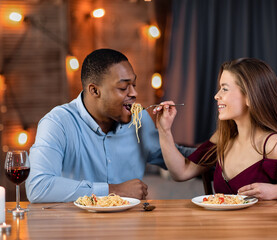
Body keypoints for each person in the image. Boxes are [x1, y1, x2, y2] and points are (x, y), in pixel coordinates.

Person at [26, 49, 194, 203]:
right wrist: (113, 190)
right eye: (123, 87)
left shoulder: (139, 118)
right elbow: (38, 187)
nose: (134, 93)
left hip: (130, 229)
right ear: (94, 91)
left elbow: (173, 157)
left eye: (133, 85)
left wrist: (217, 149)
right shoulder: (57, 123)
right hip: (75, 229)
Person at [154, 58, 277, 200]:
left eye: (224, 89)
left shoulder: (273, 145)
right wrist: (164, 131)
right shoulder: (223, 137)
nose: (216, 95)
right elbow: (181, 172)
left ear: (250, 96)